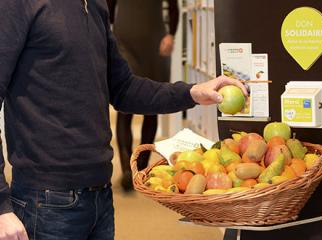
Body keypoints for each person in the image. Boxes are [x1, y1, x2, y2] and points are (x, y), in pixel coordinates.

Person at [0, 1, 247, 240]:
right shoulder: (19, 4)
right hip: (44, 201)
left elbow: (123, 88)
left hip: (100, 195)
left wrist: (192, 93)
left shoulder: (95, 4)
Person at [107, 0, 180, 192]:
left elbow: (173, 7)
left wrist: (171, 34)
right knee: (124, 103)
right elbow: (108, 7)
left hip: (155, 42)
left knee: (152, 106)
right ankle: (125, 170)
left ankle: (140, 170)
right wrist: (109, 36)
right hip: (124, 41)